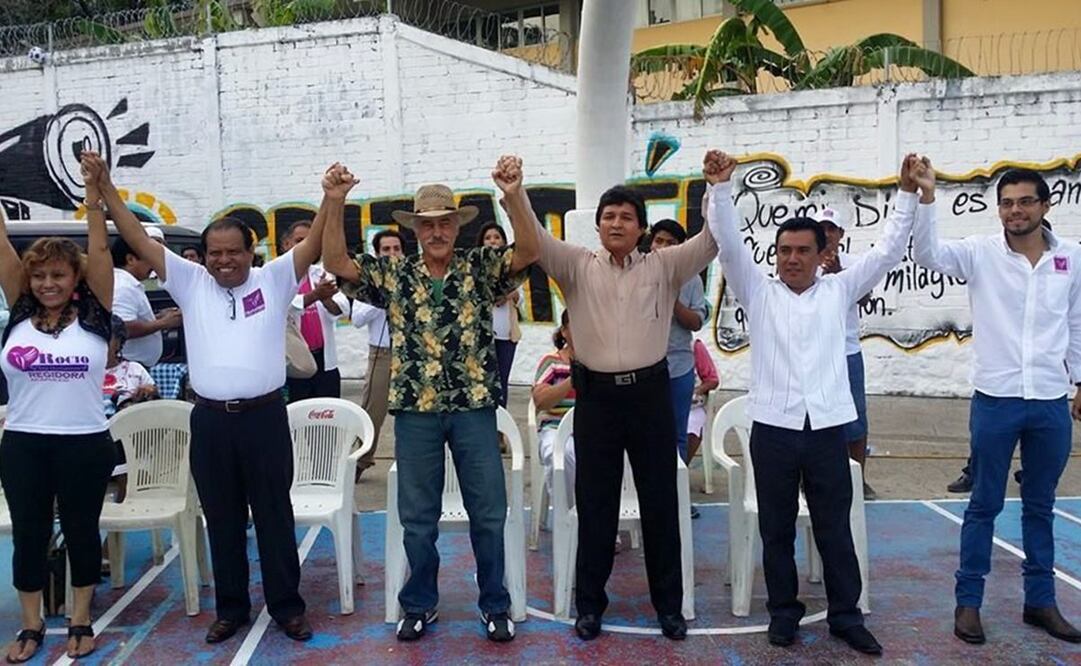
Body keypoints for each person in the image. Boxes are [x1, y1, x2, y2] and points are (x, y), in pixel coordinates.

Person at [88, 151, 356, 645]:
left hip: (264, 419)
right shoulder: (190, 283)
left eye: (233, 251)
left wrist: (330, 197)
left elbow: (315, 242)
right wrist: (104, 189)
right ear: (203, 256)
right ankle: (230, 608)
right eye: (215, 252)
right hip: (210, 422)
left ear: (251, 252)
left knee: (274, 515)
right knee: (222, 518)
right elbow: (137, 238)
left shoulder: (274, 280)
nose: (224, 260)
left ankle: (287, 606)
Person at [706, 150, 925, 655]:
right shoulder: (758, 293)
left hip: (827, 428)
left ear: (819, 253)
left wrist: (909, 194)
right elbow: (730, 246)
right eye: (784, 250)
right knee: (776, 529)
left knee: (835, 529)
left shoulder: (840, 290)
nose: (792, 259)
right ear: (775, 253)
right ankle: (783, 614)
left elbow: (891, 251)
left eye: (802, 250)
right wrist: (720, 187)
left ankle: (846, 616)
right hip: (775, 430)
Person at [323, 156, 538, 643]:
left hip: (474, 407)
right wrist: (334, 202)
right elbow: (336, 263)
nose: (437, 231)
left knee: (489, 512)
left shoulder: (480, 267)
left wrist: (514, 195)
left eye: (445, 223)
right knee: (417, 519)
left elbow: (527, 250)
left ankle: (495, 604)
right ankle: (418, 604)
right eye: (428, 225)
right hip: (416, 410)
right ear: (417, 229)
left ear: (456, 227)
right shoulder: (396, 274)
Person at [530, 163, 718, 642]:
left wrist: (719, 187)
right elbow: (532, 237)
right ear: (598, 225)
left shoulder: (665, 265)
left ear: (641, 228)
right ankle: (589, 607)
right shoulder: (576, 265)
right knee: (596, 507)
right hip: (595, 398)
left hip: (650, 395)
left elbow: (713, 239)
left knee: (660, 505)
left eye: (626, 217)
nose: (616, 223)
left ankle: (669, 608)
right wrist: (512, 192)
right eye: (608, 215)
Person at [912, 165, 1081, 645]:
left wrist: (1080, 378)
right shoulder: (980, 254)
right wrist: (927, 197)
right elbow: (928, 253)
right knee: (983, 504)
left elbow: (1078, 321)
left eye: (1025, 201)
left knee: (1040, 506)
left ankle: (1040, 602)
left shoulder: (1072, 258)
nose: (1015, 211)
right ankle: (968, 605)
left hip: (1050, 401)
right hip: (996, 400)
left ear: (1045, 206)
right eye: (1006, 203)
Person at [0, 170, 114, 662]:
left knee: (83, 529)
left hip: (84, 440)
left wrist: (93, 195)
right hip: (24, 442)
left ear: (76, 280)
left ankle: (81, 617)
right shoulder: (19, 313)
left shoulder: (95, 315)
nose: (47, 283)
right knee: (28, 533)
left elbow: (101, 247)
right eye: (39, 275)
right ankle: (31, 626)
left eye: (58, 275)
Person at [816, 207, 878, 501]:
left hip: (848, 350)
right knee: (816, 419)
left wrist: (838, 273)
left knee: (856, 420)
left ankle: (858, 479)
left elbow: (865, 297)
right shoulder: (805, 262)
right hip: (815, 352)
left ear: (841, 234)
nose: (827, 234)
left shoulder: (855, 263)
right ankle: (814, 477)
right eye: (823, 228)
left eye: (832, 229)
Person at [650, 219, 710, 467]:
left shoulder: (691, 278)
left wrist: (672, 299)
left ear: (682, 247)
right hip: (643, 369)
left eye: (671, 243)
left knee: (677, 435)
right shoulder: (635, 271)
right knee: (644, 435)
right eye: (658, 241)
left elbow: (696, 322)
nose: (663, 247)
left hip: (678, 369)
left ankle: (679, 500)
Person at [350, 229, 403, 476]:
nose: (392, 254)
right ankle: (359, 461)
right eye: (386, 249)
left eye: (396, 249)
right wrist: (382, 296)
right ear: (377, 253)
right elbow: (357, 318)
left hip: (410, 354)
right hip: (382, 353)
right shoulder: (368, 279)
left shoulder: (413, 276)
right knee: (372, 410)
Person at [281, 220, 350, 402]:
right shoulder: (276, 274)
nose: (307, 247)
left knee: (328, 419)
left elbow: (342, 307)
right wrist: (314, 295)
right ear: (286, 244)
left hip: (324, 362)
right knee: (295, 420)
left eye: (312, 241)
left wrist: (325, 297)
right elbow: (280, 306)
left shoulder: (321, 273)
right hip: (293, 363)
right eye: (299, 240)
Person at [111, 229, 182, 369]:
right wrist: (163, 323)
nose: (153, 264)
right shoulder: (123, 287)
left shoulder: (128, 283)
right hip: (128, 368)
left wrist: (156, 318)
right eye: (148, 258)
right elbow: (122, 328)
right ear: (130, 259)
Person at [477, 221, 522, 408]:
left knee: (502, 380)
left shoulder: (512, 267)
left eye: (496, 237)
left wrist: (510, 293)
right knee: (482, 382)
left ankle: (501, 430)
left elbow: (521, 300)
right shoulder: (476, 267)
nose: (492, 241)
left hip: (506, 335)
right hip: (481, 335)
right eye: (488, 238)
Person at [532, 310, 576, 502]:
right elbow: (540, 401)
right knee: (562, 454)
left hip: (593, 429)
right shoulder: (552, 362)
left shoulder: (600, 361)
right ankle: (566, 513)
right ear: (565, 331)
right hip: (556, 428)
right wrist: (571, 382)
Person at [102, 314, 158, 418]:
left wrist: (149, 391)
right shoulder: (83, 372)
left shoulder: (135, 369)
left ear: (119, 342)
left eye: (107, 339)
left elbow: (154, 398)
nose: (101, 345)